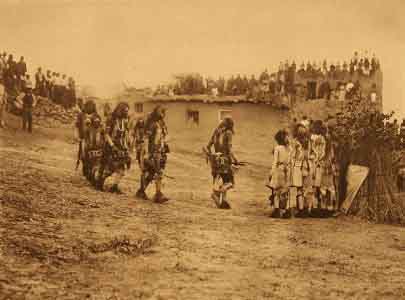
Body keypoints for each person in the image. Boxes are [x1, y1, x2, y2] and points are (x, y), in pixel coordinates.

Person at [135, 105, 170, 203]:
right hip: (152, 152)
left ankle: (141, 191)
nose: (163, 114)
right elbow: (146, 139)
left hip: (160, 152)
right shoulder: (152, 124)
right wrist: (145, 153)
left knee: (151, 174)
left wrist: (165, 143)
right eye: (162, 112)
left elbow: (165, 136)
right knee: (157, 172)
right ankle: (158, 194)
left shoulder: (162, 124)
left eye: (164, 112)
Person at [96, 102, 131, 193]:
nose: (127, 113)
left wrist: (127, 145)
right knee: (110, 169)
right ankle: (99, 182)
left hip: (121, 146)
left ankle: (114, 186)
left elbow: (125, 134)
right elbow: (106, 134)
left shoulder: (124, 120)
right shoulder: (111, 119)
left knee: (122, 170)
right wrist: (112, 146)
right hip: (110, 146)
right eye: (125, 111)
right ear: (120, 110)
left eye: (127, 111)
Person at [204, 117, 239, 209]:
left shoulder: (216, 132)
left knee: (221, 181)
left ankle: (222, 202)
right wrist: (235, 159)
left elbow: (208, 146)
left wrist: (211, 156)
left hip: (215, 160)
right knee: (230, 182)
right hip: (225, 160)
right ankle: (216, 193)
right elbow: (229, 148)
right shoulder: (228, 133)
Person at [268, 130, 290, 218]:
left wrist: (271, 172)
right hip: (287, 169)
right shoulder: (289, 148)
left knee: (277, 190)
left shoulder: (277, 148)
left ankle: (277, 209)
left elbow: (275, 162)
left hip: (279, 169)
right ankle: (285, 210)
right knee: (285, 191)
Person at [75, 99, 97, 178]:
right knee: (84, 154)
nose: (91, 108)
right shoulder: (81, 115)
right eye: (89, 106)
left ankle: (91, 170)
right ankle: (85, 169)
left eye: (92, 106)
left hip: (93, 138)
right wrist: (77, 136)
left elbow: (98, 126)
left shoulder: (96, 115)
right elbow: (77, 126)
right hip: (84, 138)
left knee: (93, 155)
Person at [309, 120, 326, 216]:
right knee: (315, 186)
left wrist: (318, 158)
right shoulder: (314, 138)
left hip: (318, 163)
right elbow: (312, 150)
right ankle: (314, 207)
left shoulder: (321, 139)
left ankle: (317, 207)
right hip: (315, 163)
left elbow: (322, 151)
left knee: (318, 185)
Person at [84, 113, 105, 186]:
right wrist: (87, 145)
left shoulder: (101, 129)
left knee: (97, 164)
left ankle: (95, 178)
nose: (97, 123)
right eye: (95, 122)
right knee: (91, 164)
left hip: (98, 149)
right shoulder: (89, 128)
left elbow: (104, 137)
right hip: (90, 149)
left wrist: (102, 144)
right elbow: (86, 138)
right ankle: (91, 176)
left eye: (98, 122)